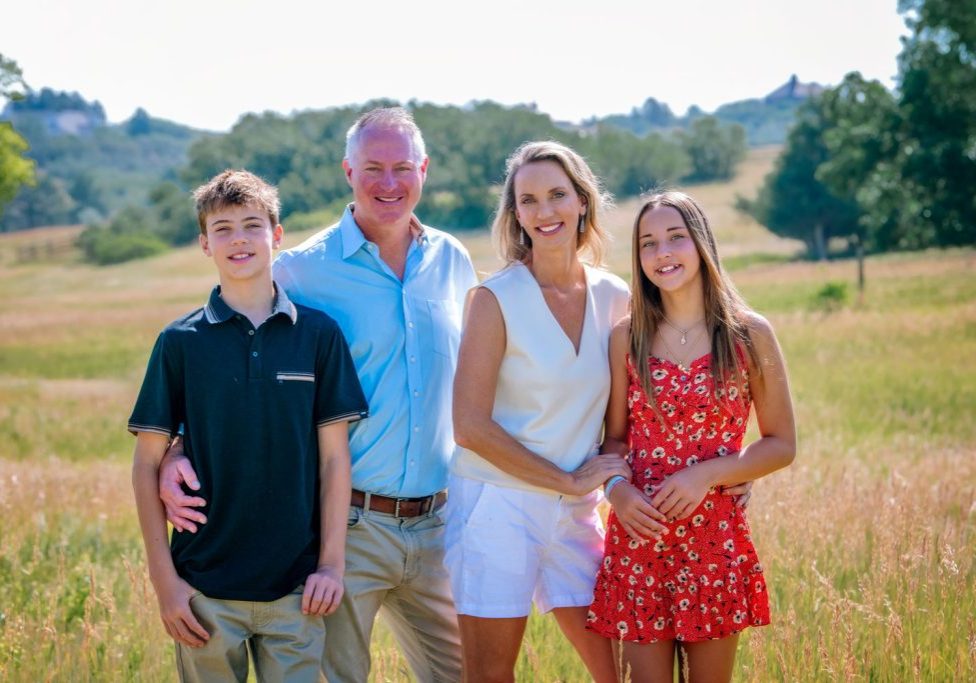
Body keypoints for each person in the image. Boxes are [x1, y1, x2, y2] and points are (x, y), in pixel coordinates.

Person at [159, 108, 477, 682]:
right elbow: (236, 358)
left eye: (402, 167)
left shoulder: (452, 259)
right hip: (346, 526)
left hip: (438, 523)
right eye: (372, 167)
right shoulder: (302, 271)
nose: (388, 182)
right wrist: (177, 449)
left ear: (424, 169)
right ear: (347, 170)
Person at [129, 170, 368, 682]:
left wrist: (330, 565)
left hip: (297, 591)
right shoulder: (180, 343)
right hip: (204, 591)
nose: (239, 238)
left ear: (276, 236)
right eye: (223, 228)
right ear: (204, 243)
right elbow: (147, 463)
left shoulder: (318, 336)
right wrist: (165, 584)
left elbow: (333, 459)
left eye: (252, 225)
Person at [448, 141, 640, 683]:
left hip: (577, 509)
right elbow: (469, 427)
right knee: (491, 675)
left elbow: (620, 425)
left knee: (621, 668)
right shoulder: (494, 298)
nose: (545, 211)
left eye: (557, 194)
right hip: (497, 505)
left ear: (583, 201)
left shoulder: (615, 296)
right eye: (528, 200)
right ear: (516, 215)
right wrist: (568, 479)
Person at [587, 190, 796, 683]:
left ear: (701, 243)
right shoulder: (627, 335)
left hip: (715, 540)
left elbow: (781, 443)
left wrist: (709, 474)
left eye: (676, 238)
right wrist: (617, 492)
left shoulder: (748, 334)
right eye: (648, 243)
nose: (663, 253)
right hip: (641, 536)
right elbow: (614, 441)